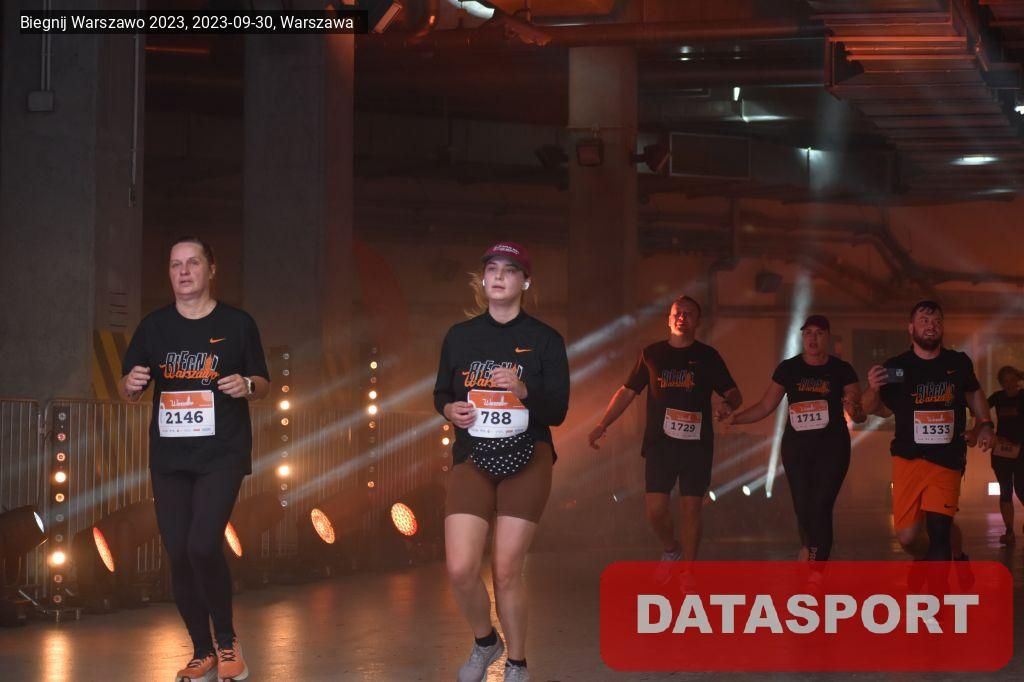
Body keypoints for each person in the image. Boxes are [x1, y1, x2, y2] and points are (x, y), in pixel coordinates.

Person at [120, 236, 269, 682]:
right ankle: (202, 651)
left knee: (202, 544)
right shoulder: (154, 327)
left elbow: (263, 381)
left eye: (192, 263)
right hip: (169, 457)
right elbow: (127, 388)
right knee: (178, 553)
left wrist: (247, 386)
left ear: (211, 268)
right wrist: (130, 384)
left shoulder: (237, 324)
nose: (183, 272)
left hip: (221, 453)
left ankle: (227, 640)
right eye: (175, 265)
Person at [434, 241, 569, 682]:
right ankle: (485, 641)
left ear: (525, 282)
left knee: (506, 569)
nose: (498, 276)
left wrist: (524, 391)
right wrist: (449, 410)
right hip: (473, 454)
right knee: (460, 567)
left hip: (529, 454)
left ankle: (517, 663)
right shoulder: (460, 336)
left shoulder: (546, 340)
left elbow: (558, 410)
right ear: (483, 280)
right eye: (492, 268)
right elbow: (442, 393)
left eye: (509, 270)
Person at [588, 295, 742, 562]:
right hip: (660, 444)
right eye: (677, 312)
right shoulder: (652, 354)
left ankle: (688, 573)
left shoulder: (708, 357)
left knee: (691, 510)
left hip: (696, 447)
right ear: (669, 320)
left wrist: (728, 405)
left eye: (689, 313)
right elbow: (626, 392)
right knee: (655, 511)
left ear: (698, 321)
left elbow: (734, 393)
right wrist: (603, 423)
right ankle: (672, 550)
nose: (682, 317)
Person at [862, 300, 994, 561]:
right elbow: (875, 409)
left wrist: (985, 424)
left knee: (938, 529)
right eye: (924, 321)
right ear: (911, 328)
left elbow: (974, 393)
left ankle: (938, 583)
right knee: (908, 537)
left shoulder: (958, 362)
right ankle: (936, 559)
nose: (931, 326)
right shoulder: (898, 367)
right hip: (908, 458)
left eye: (937, 321)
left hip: (947, 457)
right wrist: (873, 388)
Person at [729, 315, 866, 561]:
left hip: (832, 448)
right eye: (808, 333)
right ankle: (810, 546)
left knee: (821, 504)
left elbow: (858, 408)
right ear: (802, 337)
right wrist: (736, 419)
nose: (813, 338)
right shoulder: (789, 369)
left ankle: (816, 566)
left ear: (828, 337)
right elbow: (765, 406)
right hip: (797, 448)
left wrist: (854, 407)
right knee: (802, 505)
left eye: (819, 333)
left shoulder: (842, 370)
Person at [986, 366, 1024, 544]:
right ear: (1001, 383)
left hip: (1022, 449)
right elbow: (979, 409)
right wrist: (988, 430)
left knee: (1021, 488)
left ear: (1018, 380)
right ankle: (1009, 531)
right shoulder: (998, 397)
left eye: (1012, 380)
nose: (1009, 384)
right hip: (1002, 450)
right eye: (1005, 381)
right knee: (1005, 490)